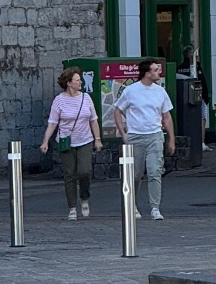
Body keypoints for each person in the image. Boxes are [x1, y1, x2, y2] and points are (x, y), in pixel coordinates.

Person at [114, 59, 176, 219]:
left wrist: (171, 139)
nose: (158, 73)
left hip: (155, 135)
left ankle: (155, 208)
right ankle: (131, 204)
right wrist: (123, 133)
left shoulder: (160, 91)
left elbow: (167, 116)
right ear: (147, 73)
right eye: (155, 70)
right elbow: (118, 110)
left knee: (155, 171)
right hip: (135, 136)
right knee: (135, 174)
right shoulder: (131, 91)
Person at [40, 67, 102, 220]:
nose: (80, 82)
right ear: (69, 83)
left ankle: (84, 197)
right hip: (66, 142)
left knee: (84, 172)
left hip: (85, 140)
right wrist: (45, 141)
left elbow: (93, 120)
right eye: (77, 80)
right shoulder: (59, 100)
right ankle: (72, 208)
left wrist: (98, 139)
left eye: (80, 80)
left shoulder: (86, 98)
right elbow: (53, 123)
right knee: (69, 175)